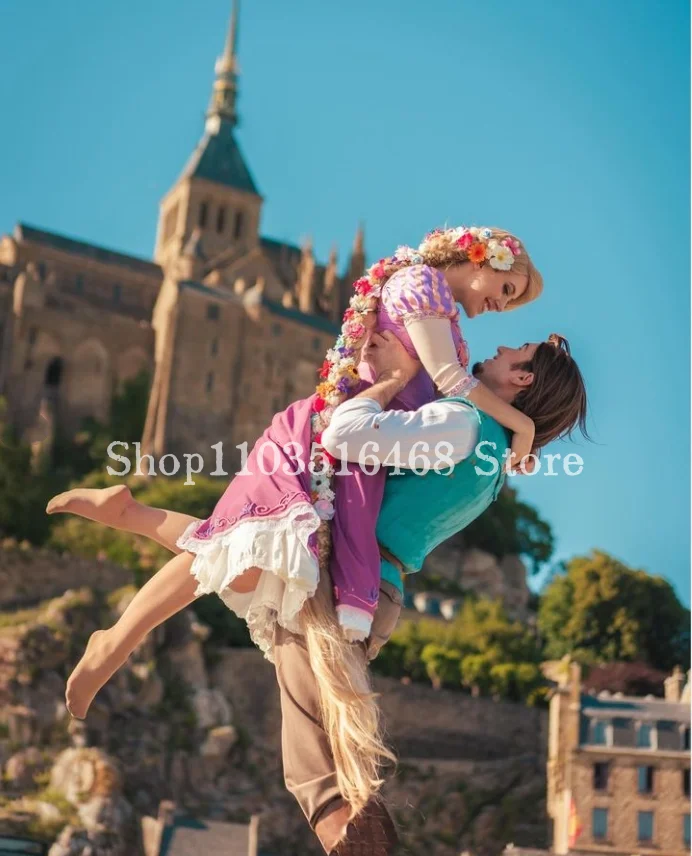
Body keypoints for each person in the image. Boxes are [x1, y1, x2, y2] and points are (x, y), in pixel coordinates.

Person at [47, 329, 588, 855]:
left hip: (348, 577)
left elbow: (345, 433)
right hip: (367, 582)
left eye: (515, 349)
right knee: (255, 601)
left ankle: (129, 533)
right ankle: (343, 829)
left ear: (522, 376)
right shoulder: (493, 458)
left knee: (251, 589)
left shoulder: (462, 424)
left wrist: (388, 382)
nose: (499, 347)